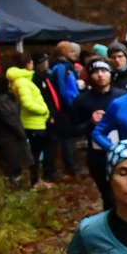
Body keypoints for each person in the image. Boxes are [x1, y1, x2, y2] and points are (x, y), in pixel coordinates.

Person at [72, 59, 119, 208]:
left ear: (110, 74)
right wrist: (90, 122)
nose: (100, 75)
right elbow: (73, 130)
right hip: (98, 156)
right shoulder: (81, 100)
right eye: (96, 72)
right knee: (108, 196)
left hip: (123, 152)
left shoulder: (122, 96)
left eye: (104, 71)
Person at [6, 54, 53, 188]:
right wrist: (43, 110)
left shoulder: (25, 79)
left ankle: (36, 180)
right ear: (28, 64)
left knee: (36, 154)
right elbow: (27, 103)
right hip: (33, 123)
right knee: (35, 155)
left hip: (37, 122)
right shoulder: (22, 81)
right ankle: (34, 182)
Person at [0, 75, 34, 186]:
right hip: (8, 136)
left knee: (14, 163)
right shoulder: (0, 101)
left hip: (8, 136)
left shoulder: (2, 99)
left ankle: (15, 184)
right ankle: (13, 185)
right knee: (12, 164)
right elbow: (9, 118)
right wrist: (20, 132)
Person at [49, 42, 83, 177]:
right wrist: (71, 105)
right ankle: (70, 166)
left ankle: (72, 164)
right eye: (71, 51)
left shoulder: (68, 67)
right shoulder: (60, 68)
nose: (75, 54)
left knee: (69, 137)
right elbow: (62, 90)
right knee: (66, 137)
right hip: (64, 109)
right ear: (63, 53)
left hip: (70, 106)